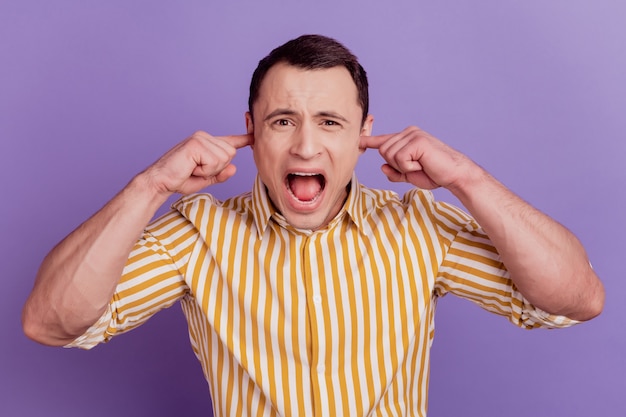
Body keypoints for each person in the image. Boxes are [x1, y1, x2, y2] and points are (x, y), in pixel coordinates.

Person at [22, 34, 604, 416]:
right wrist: (150, 185)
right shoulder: (196, 232)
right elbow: (51, 322)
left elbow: (576, 298)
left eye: (329, 121)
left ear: (362, 133)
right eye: (282, 120)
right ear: (251, 131)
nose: (305, 145)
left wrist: (468, 180)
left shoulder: (418, 226)